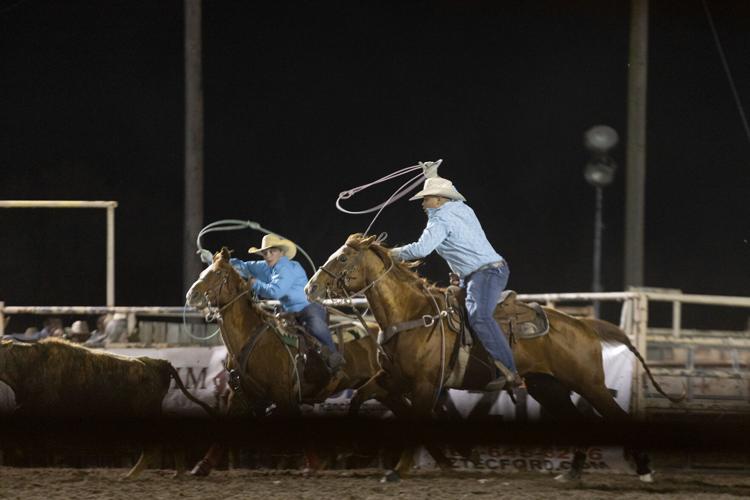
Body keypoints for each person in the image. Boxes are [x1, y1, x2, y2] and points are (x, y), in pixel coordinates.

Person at [390, 162, 519, 391]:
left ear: (439, 200)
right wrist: (432, 176)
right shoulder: (461, 208)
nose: (423, 202)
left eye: (427, 198)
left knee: (479, 316)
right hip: (480, 272)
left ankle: (509, 370)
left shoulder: (440, 219)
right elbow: (452, 195)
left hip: (486, 272)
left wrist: (389, 254)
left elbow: (420, 250)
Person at [230, 234, 344, 373]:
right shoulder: (266, 266)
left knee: (315, 325)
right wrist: (219, 261)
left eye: (272, 251)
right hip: (287, 311)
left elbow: (275, 292)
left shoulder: (287, 267)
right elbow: (244, 266)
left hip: (307, 307)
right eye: (265, 252)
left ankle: (333, 356)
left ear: (282, 253)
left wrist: (255, 284)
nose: (268, 255)